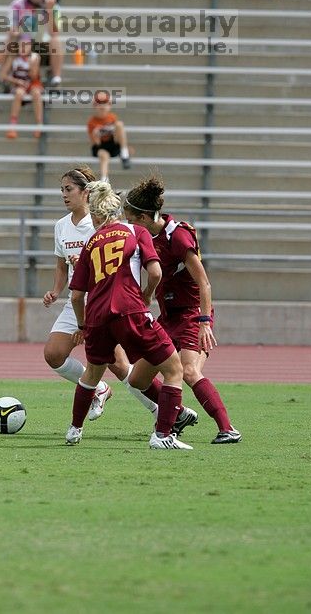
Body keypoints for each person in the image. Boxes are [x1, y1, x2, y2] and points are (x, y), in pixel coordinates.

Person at [67, 180, 194, 450]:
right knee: (174, 369)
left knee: (91, 374)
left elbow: (77, 295)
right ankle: (162, 436)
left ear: (97, 214)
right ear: (118, 211)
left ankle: (74, 430)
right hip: (130, 310)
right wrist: (147, 293)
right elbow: (156, 273)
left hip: (98, 316)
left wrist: (83, 324)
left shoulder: (91, 242)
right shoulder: (136, 231)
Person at [124, 175, 241, 444]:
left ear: (143, 217)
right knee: (138, 379)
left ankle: (227, 429)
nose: (128, 224)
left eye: (131, 218)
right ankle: (177, 415)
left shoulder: (178, 235)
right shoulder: (144, 237)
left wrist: (204, 323)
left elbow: (204, 282)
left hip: (191, 314)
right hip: (168, 318)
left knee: (188, 371)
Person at [43, 166, 161, 423]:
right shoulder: (61, 226)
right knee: (53, 353)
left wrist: (85, 259)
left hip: (101, 300)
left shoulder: (99, 222)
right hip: (76, 299)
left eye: (69, 189)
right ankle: (99, 389)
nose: (64, 195)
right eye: (61, 190)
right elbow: (61, 264)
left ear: (86, 193)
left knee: (119, 367)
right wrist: (55, 290)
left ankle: (161, 410)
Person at [0, 0, 62, 92]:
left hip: (43, 47)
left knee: (56, 41)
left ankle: (56, 79)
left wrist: (49, 11)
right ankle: (2, 79)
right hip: (23, 44)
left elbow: (53, 33)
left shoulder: (54, 7)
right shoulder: (17, 5)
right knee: (10, 40)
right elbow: (11, 29)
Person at [0, 35, 44, 139]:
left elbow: (34, 77)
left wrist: (32, 66)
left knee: (36, 93)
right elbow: (3, 75)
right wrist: (17, 81)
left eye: (26, 45)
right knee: (19, 93)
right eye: (21, 45)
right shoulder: (13, 57)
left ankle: (39, 124)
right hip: (19, 84)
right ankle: (13, 125)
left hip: (32, 83)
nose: (23, 48)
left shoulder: (35, 57)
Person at [87, 90, 131, 181]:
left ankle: (124, 152)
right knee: (104, 155)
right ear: (95, 106)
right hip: (101, 145)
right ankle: (104, 179)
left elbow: (117, 132)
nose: (102, 106)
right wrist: (96, 135)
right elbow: (95, 143)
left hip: (112, 143)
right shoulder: (92, 122)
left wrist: (109, 130)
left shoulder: (112, 117)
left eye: (105, 104)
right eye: (99, 104)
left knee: (119, 124)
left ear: (109, 106)